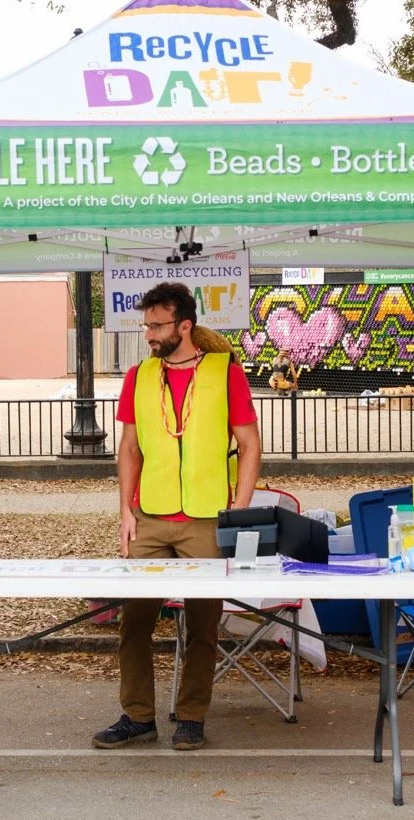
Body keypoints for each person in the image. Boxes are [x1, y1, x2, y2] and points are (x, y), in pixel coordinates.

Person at [93, 282, 261, 752]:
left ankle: (191, 716)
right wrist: (125, 510)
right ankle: (138, 716)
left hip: (207, 516)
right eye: (145, 324)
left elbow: (250, 445)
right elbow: (128, 448)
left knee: (204, 625)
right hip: (149, 516)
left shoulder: (225, 372)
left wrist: (240, 511)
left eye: (156, 325)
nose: (148, 333)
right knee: (134, 621)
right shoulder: (138, 376)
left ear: (184, 325)